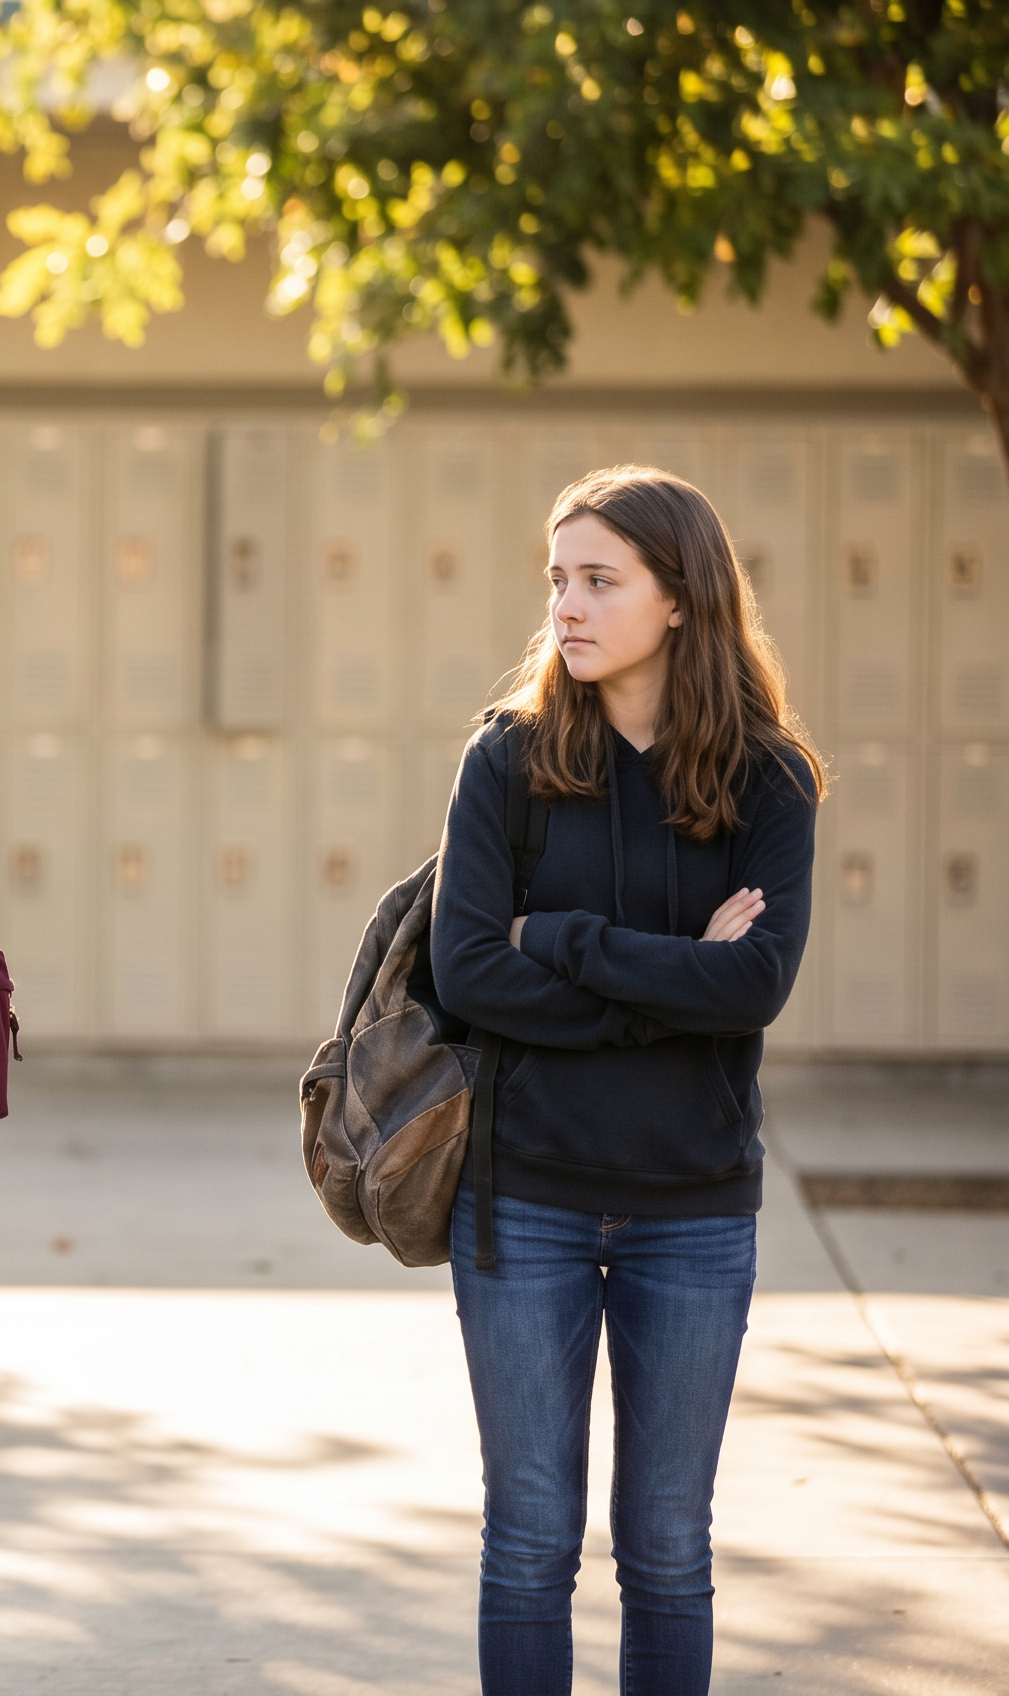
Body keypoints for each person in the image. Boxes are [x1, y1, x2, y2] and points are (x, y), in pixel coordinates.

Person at [431, 465, 825, 1695]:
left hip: (690, 1209)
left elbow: (751, 984)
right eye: (558, 579)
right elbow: (463, 975)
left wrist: (560, 940)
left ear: (678, 599)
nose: (567, 605)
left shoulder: (766, 780)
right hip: (523, 1198)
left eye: (599, 579)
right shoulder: (505, 760)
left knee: (664, 1553)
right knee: (527, 1546)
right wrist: (664, 988)